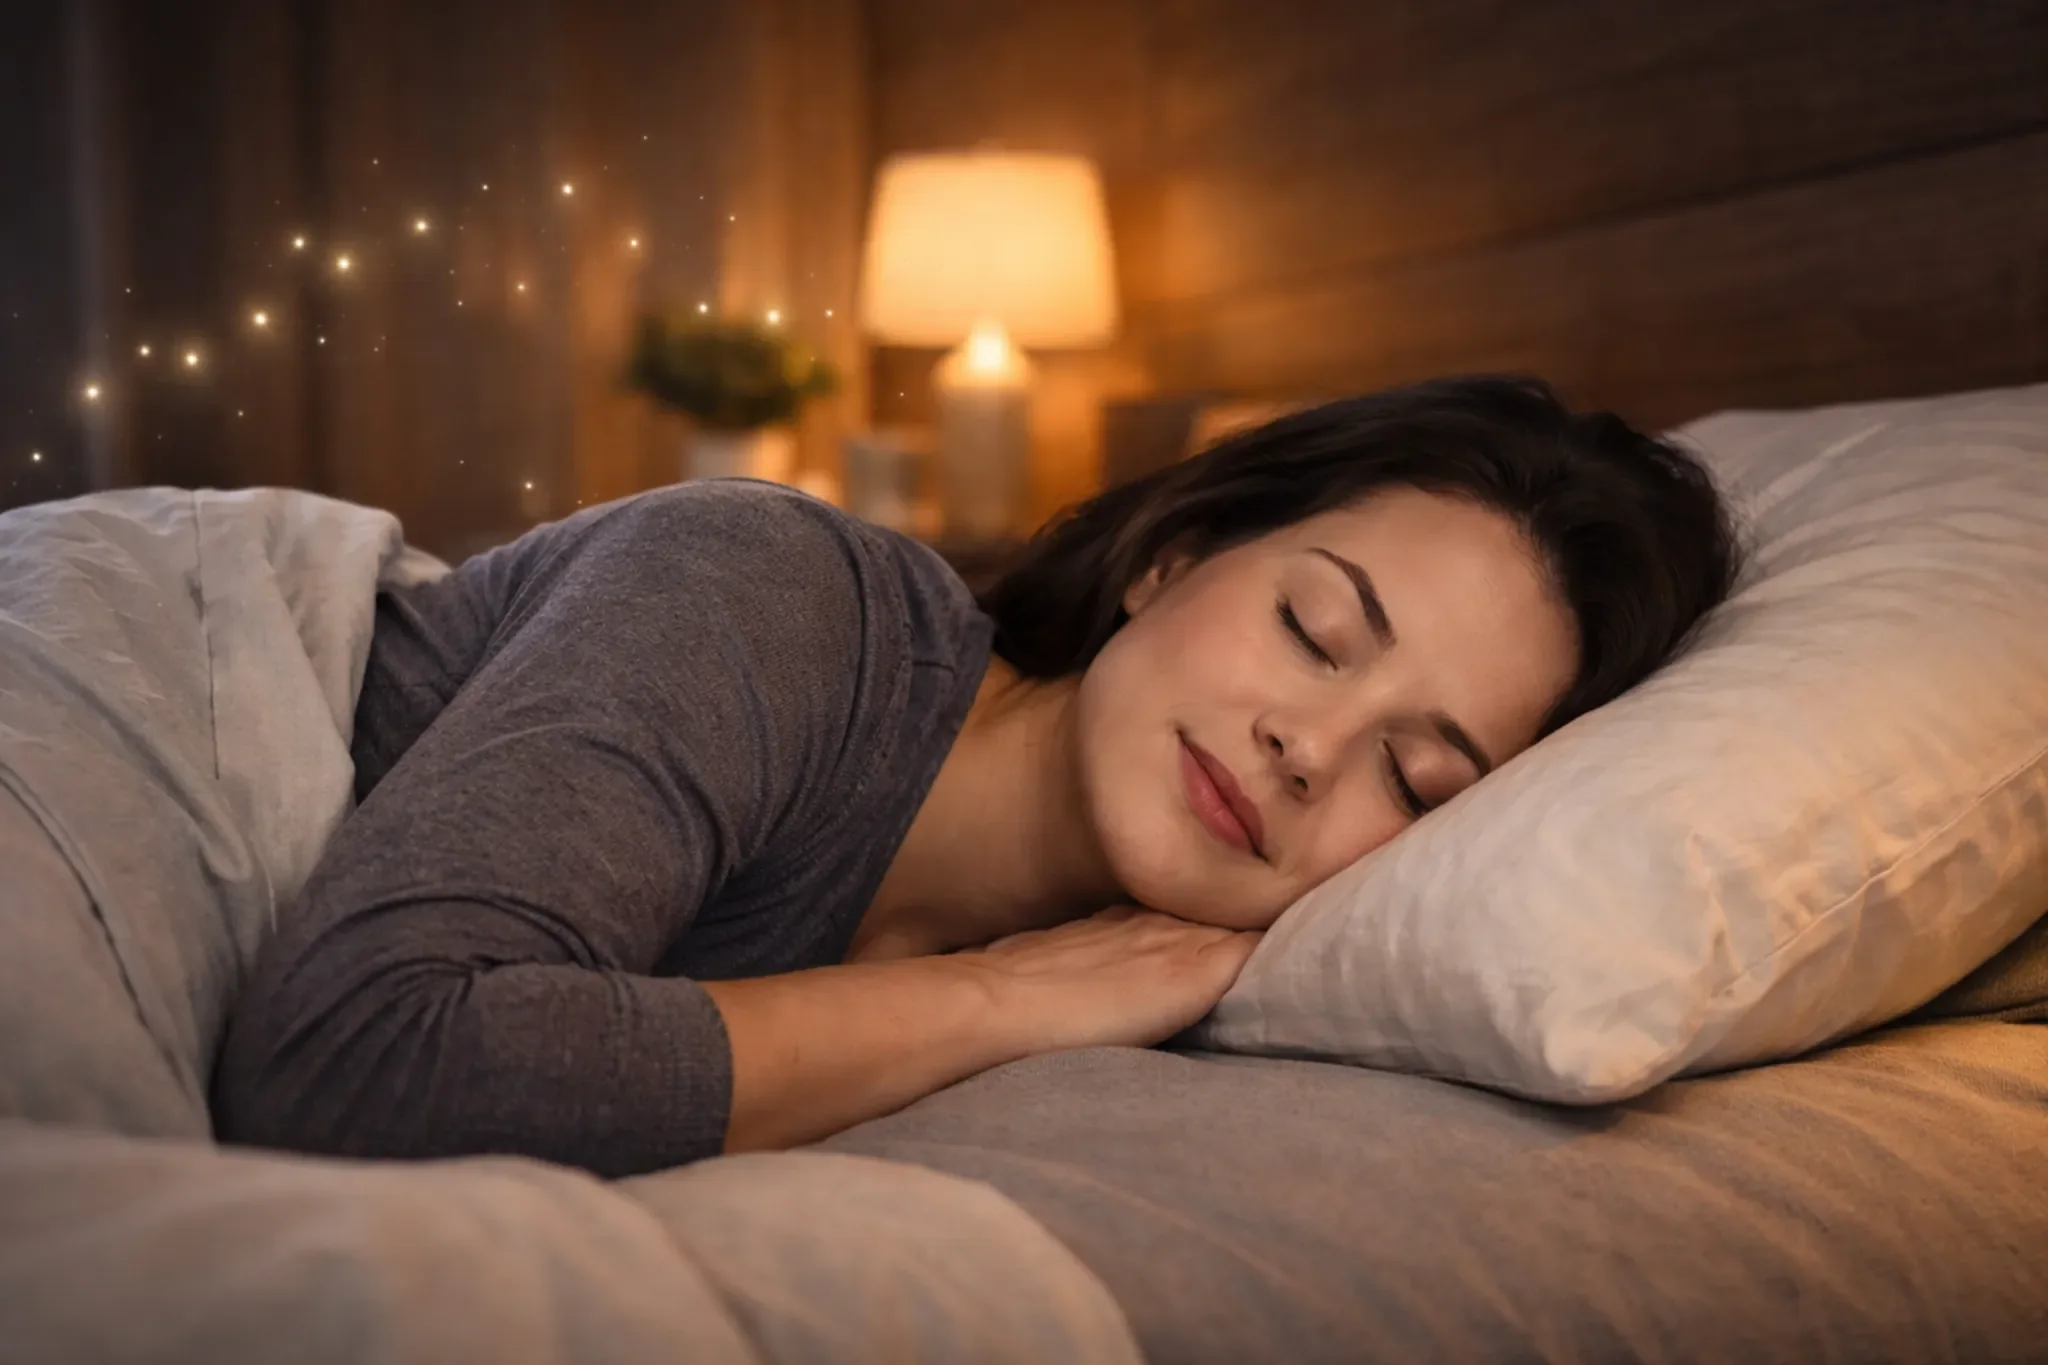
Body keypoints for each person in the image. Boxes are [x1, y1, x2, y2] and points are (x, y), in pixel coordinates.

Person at [212, 375, 1739, 1178]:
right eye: (1314, 628)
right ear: (1173, 554)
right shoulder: (771, 594)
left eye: (1413, 780)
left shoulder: (1183, 1005)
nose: (1310, 747)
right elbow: (355, 1060)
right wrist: (1003, 1002)